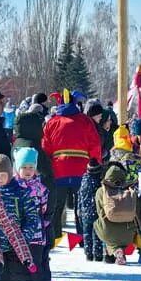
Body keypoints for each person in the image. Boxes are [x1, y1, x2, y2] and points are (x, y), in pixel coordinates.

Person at [42, 97, 103, 246]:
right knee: (83, 205)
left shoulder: (52, 122)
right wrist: (95, 163)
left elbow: (45, 147)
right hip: (82, 169)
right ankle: (84, 237)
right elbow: (95, 144)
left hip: (59, 169)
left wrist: (48, 166)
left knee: (56, 205)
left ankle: (54, 237)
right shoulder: (85, 120)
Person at [14, 146, 52, 281]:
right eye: (24, 167)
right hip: (17, 236)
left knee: (35, 268)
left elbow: (44, 207)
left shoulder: (41, 188)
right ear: (18, 168)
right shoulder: (13, 187)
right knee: (17, 269)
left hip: (36, 236)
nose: (28, 171)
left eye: (31, 167)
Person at [94, 162, 138, 265]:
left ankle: (113, 252)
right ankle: (119, 251)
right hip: (128, 233)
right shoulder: (130, 190)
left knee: (99, 225)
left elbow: (98, 210)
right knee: (119, 237)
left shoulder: (101, 191)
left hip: (108, 231)